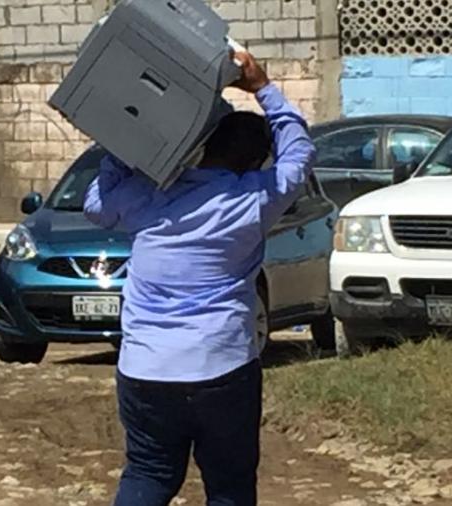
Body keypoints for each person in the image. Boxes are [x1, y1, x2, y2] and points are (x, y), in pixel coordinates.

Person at [83, 51, 315, 506]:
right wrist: (263, 87)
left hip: (146, 369)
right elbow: (300, 155)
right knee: (228, 487)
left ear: (204, 147)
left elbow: (95, 202)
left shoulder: (151, 195)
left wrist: (123, 143)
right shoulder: (252, 201)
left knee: (148, 476)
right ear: (253, 164)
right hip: (221, 367)